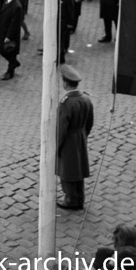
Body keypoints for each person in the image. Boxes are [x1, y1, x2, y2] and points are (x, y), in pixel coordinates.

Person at [56, 64, 94, 210]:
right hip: (80, 137)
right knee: (78, 171)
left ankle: (71, 200)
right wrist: (83, 135)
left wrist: (57, 146)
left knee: (67, 172)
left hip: (68, 141)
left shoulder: (66, 103)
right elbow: (90, 122)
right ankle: (79, 198)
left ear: (65, 82)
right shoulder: (85, 99)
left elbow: (61, 129)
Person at [0, 0, 22, 80]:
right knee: (1, 49)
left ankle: (10, 72)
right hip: (3, 30)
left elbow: (15, 24)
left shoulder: (16, 6)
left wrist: (9, 36)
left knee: (10, 51)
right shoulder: (7, 1)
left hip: (9, 34)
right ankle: (14, 63)